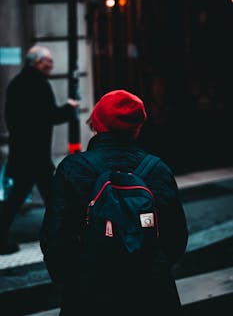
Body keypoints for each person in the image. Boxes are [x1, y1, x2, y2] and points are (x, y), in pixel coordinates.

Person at [40, 89, 188, 316]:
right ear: (137, 127)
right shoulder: (158, 169)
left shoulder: (73, 168)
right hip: (151, 289)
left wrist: (74, 277)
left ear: (96, 123)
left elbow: (55, 236)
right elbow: (176, 236)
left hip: (90, 289)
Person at [0, 45, 79, 254]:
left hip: (24, 152)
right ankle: (64, 237)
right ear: (36, 62)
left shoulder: (16, 83)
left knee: (38, 198)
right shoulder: (39, 84)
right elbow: (49, 115)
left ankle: (63, 235)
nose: (51, 66)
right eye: (48, 61)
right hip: (36, 155)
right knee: (48, 199)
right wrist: (69, 109)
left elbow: (13, 118)